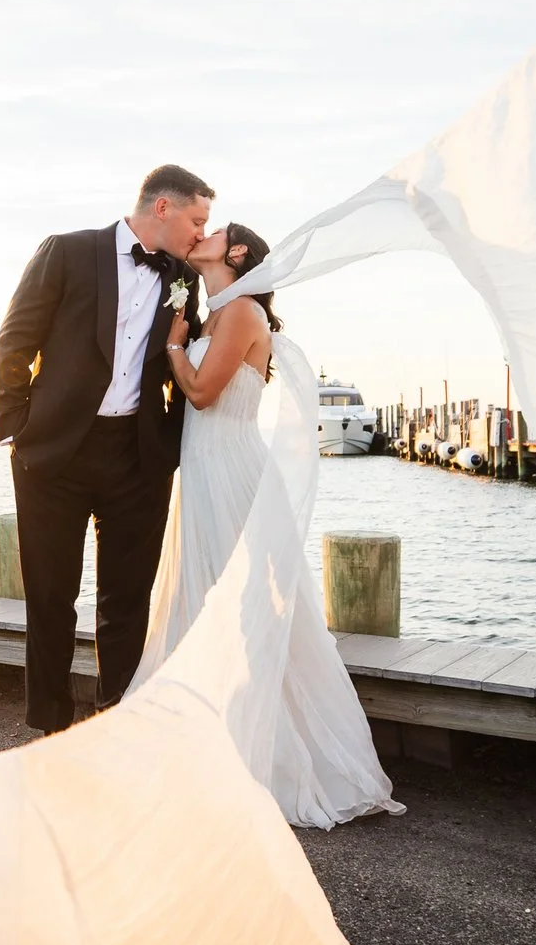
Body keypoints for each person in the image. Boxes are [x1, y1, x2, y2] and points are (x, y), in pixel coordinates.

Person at [139, 222, 401, 829]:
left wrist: (175, 345)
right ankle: (208, 740)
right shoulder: (217, 314)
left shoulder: (241, 316)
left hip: (229, 469)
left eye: (214, 230)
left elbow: (203, 393)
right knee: (202, 600)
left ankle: (265, 754)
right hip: (202, 469)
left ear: (235, 253)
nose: (200, 233)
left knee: (241, 606)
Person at [0, 165, 211, 733]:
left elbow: (193, 356)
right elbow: (15, 340)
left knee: (127, 599)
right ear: (162, 208)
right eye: (196, 219)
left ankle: (117, 719)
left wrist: (176, 438)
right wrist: (17, 426)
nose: (200, 232)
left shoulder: (185, 277)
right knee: (49, 596)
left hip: (139, 458)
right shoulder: (66, 252)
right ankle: (50, 724)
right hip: (53, 454)